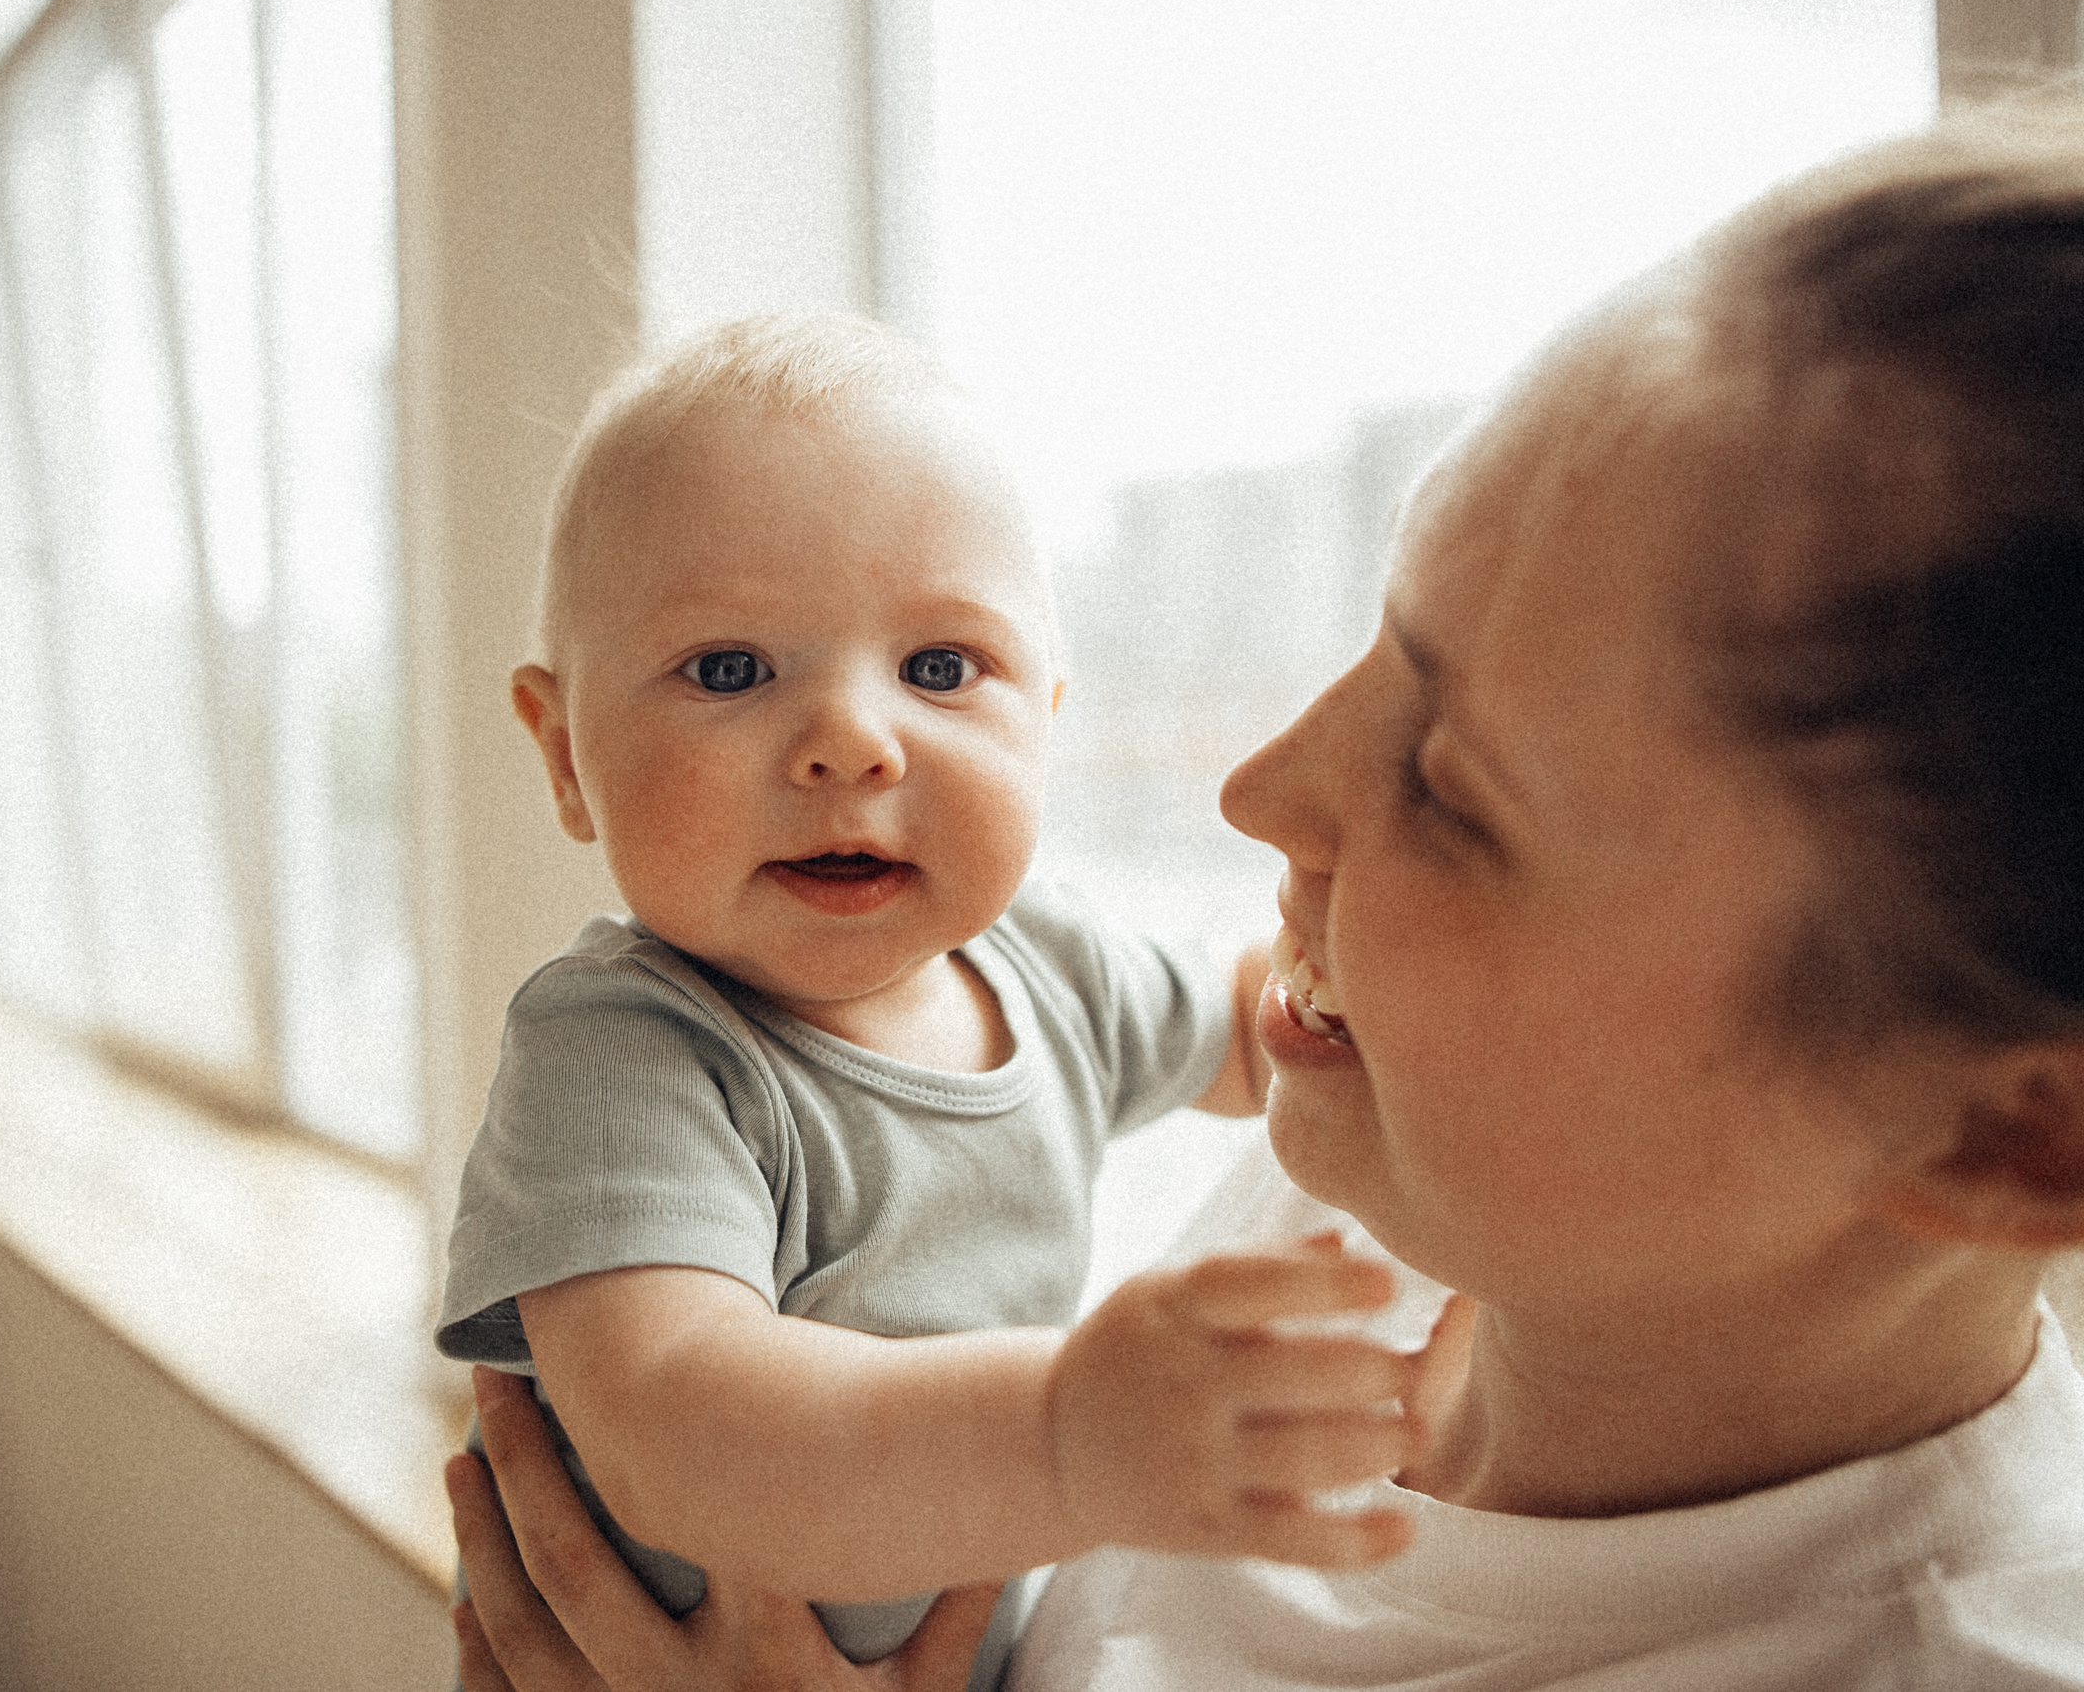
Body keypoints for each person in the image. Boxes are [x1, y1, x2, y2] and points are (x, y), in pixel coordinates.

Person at [443, 107, 2084, 1691]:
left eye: (1452, 788)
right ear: (563, 751)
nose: (1258, 790)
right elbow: (683, 1410)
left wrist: (1069, 1441)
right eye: (1379, 646)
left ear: (2010, 1132)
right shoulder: (1369, 1157)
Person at [433, 314, 1438, 1692]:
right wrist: (1067, 1438)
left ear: (1046, 719)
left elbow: (1268, 1025)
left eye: (941, 669)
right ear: (565, 756)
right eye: (729, 669)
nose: (852, 741)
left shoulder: (1052, 967)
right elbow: (680, 1429)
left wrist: (1422, 985)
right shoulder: (625, 1055)